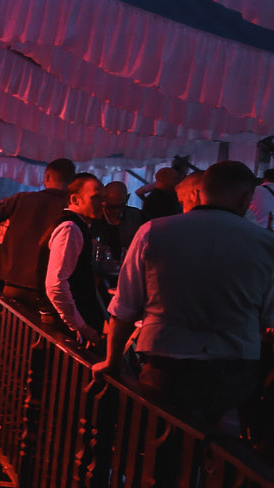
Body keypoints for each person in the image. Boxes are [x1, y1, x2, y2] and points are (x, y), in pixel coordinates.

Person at [93, 159, 274, 432]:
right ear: (245, 197)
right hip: (234, 366)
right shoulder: (266, 245)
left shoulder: (154, 232)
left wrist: (113, 361)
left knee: (160, 437)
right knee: (218, 443)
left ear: (201, 191)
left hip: (166, 359)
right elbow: (268, 318)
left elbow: (124, 308)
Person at [0, 157, 76, 309]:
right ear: (72, 180)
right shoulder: (71, 209)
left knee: (8, 322)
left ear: (47, 176)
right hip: (48, 291)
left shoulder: (22, 199)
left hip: (13, 281)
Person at [42, 172, 109, 346]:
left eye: (104, 198)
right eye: (96, 197)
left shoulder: (74, 226)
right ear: (75, 199)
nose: (103, 203)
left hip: (67, 322)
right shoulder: (70, 228)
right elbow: (56, 284)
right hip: (65, 326)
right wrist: (81, 327)